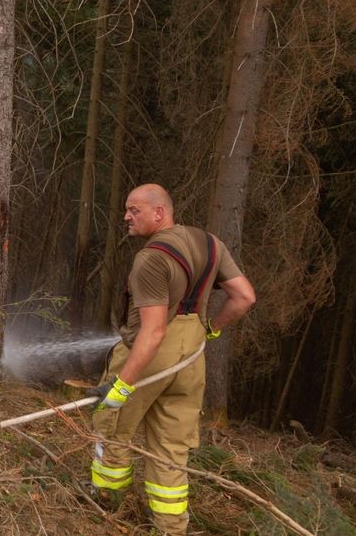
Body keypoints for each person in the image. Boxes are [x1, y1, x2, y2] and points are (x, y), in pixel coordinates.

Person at [88, 183, 256, 535]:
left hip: (149, 355)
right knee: (171, 448)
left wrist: (122, 386)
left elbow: (153, 332)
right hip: (191, 358)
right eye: (127, 210)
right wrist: (210, 329)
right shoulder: (211, 243)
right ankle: (170, 527)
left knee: (113, 428)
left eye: (134, 210)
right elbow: (244, 297)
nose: (126, 217)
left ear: (159, 213)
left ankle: (106, 504)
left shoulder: (150, 259)